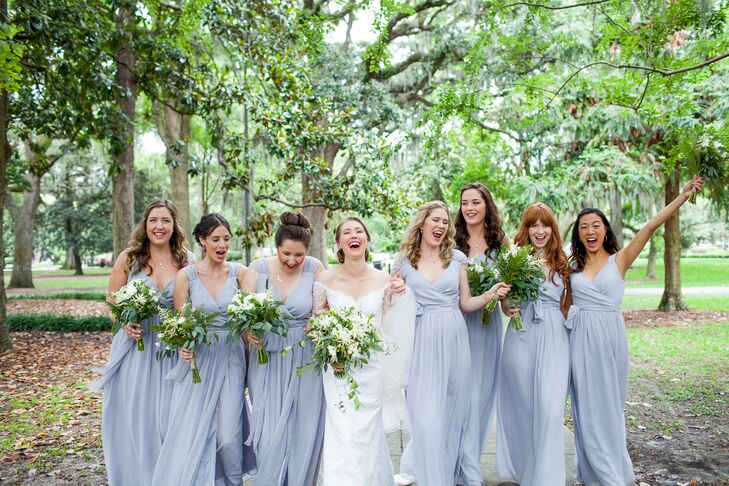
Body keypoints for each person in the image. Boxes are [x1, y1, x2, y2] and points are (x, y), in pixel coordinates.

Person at [567, 176, 703, 485]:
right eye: (584, 226)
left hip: (610, 339)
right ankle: (591, 472)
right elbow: (559, 303)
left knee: (610, 406)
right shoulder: (571, 268)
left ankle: (613, 471)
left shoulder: (620, 260)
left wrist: (682, 196)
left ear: (605, 230)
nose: (590, 231)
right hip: (579, 339)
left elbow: (650, 227)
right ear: (578, 233)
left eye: (596, 225)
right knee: (585, 407)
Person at [394, 201, 510, 486]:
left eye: (445, 222)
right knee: (425, 418)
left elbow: (466, 303)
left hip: (455, 339)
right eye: (435, 220)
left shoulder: (457, 258)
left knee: (452, 414)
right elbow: (391, 304)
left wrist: (491, 295)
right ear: (422, 223)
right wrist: (393, 294)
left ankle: (442, 477)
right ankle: (428, 475)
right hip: (421, 341)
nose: (440, 226)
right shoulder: (403, 262)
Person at [89, 199, 192, 486]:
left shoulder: (187, 259)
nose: (159, 226)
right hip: (136, 348)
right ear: (145, 225)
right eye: (153, 220)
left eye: (165, 221)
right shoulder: (129, 258)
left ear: (174, 226)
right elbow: (111, 301)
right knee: (138, 417)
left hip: (172, 349)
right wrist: (122, 320)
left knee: (170, 419)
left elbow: (196, 301)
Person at [152, 213, 256, 486]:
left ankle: (232, 481)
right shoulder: (186, 276)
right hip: (198, 361)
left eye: (226, 239)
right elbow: (180, 324)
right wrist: (183, 349)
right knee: (197, 430)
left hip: (232, 358)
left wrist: (252, 357)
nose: (222, 245)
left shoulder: (241, 274)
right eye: (215, 239)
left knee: (228, 435)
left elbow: (248, 326)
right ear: (202, 240)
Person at [313, 216, 413, 486]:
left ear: (367, 241)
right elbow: (316, 322)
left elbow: (389, 320)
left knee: (369, 429)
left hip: (372, 368)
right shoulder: (325, 278)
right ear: (339, 243)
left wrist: (399, 294)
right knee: (342, 429)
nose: (353, 235)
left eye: (359, 231)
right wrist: (331, 348)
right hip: (338, 369)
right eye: (346, 232)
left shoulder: (383, 279)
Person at [242, 211, 326, 486]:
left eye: (298, 255)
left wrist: (317, 319)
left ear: (307, 252)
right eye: (286, 254)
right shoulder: (257, 269)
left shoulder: (315, 269)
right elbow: (241, 312)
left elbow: (326, 308)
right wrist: (247, 331)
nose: (292, 261)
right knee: (267, 427)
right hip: (266, 357)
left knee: (304, 425)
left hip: (305, 357)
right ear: (276, 247)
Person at [496, 203, 570, 485]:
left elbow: (568, 305)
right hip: (521, 335)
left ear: (553, 228)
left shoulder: (563, 263)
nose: (540, 231)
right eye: (533, 225)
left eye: (545, 225)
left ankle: (548, 478)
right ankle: (526, 472)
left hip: (554, 337)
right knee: (523, 407)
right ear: (525, 229)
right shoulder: (515, 259)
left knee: (551, 411)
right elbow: (504, 301)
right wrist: (506, 305)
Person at [454, 183, 510, 485]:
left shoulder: (500, 243)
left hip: (486, 329)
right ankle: (454, 461)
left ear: (487, 205)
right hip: (459, 328)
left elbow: (505, 291)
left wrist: (507, 303)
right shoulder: (451, 240)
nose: (469, 208)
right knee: (460, 398)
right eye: (465, 203)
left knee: (479, 399)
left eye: (476, 202)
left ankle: (469, 466)